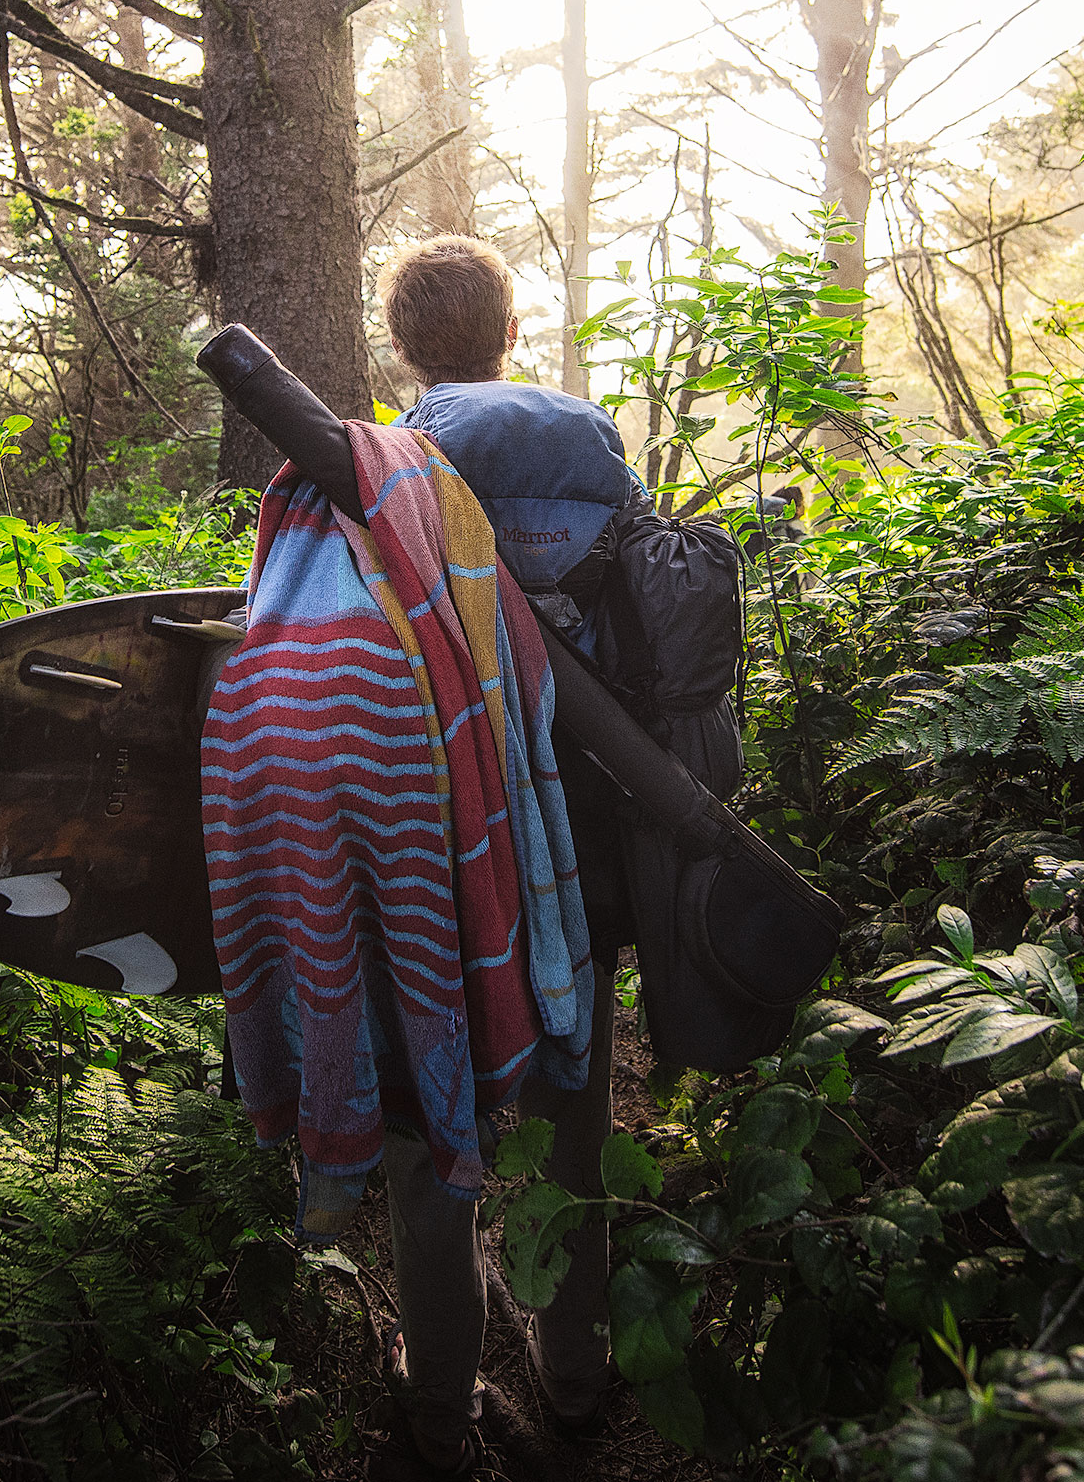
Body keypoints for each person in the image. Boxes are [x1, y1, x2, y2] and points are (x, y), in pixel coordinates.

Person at [373, 236, 639, 1470]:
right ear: (507, 328)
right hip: (581, 833)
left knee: (434, 1112)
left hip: (439, 838)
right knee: (568, 1105)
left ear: (405, 342)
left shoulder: (386, 458)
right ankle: (576, 1376)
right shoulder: (589, 437)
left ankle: (442, 1401)